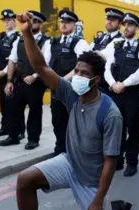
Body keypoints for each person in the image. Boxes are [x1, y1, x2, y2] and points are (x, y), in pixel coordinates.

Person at [0, 12, 131, 210]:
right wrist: (26, 33)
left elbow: (110, 162)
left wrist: (98, 200)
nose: (78, 77)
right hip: (69, 163)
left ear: (97, 79)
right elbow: (41, 67)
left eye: (84, 73)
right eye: (77, 71)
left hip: (91, 178)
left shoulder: (110, 113)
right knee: (25, 179)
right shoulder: (72, 94)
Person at [103, 12, 139, 177]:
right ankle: (118, 159)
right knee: (117, 127)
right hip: (115, 92)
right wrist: (112, 84)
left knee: (134, 128)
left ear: (137, 28)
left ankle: (132, 162)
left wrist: (124, 84)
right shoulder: (115, 44)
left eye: (130, 25)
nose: (126, 27)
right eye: (125, 24)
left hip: (133, 94)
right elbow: (107, 66)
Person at [0, 10, 50, 150]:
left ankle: (33, 139)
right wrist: (9, 80)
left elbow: (46, 63)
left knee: (34, 111)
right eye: (29, 21)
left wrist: (34, 76)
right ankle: (13, 136)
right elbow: (12, 60)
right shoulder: (19, 39)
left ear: (40, 24)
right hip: (19, 80)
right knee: (13, 108)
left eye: (34, 21)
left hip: (35, 82)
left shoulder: (46, 41)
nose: (30, 23)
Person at [47, 9, 91, 154]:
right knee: (57, 121)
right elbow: (46, 64)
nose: (64, 25)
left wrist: (61, 81)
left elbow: (81, 67)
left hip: (72, 90)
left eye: (68, 22)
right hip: (56, 90)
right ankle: (60, 149)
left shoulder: (80, 42)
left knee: (74, 122)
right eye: (62, 22)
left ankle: (75, 151)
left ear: (74, 25)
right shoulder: (53, 42)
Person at [0, 9, 21, 137]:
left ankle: (19, 130)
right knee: (3, 103)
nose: (6, 23)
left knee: (14, 104)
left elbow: (16, 58)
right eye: (4, 21)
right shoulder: (1, 38)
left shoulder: (18, 38)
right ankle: (5, 127)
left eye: (9, 20)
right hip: (0, 74)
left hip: (12, 75)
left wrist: (3, 72)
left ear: (14, 22)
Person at [91, 8, 124, 95]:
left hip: (107, 84)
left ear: (120, 23)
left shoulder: (120, 40)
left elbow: (101, 55)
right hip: (95, 82)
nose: (109, 21)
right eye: (108, 19)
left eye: (113, 20)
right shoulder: (100, 38)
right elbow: (89, 51)